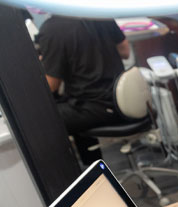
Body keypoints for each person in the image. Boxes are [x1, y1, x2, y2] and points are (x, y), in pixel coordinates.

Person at [37, 16, 130, 165]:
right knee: (70, 102)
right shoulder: (96, 13)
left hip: (99, 106)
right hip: (123, 99)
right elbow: (125, 51)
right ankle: (93, 169)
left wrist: (50, 62)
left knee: (43, 120)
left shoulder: (52, 28)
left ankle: (70, 179)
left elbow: (52, 85)